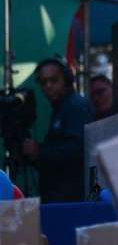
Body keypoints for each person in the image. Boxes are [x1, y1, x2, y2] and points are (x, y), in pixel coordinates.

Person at [22, 58, 93, 202]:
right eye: (43, 82)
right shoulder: (61, 108)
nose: (48, 86)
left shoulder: (76, 107)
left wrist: (39, 151)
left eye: (53, 80)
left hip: (71, 199)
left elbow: (78, 149)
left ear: (66, 79)